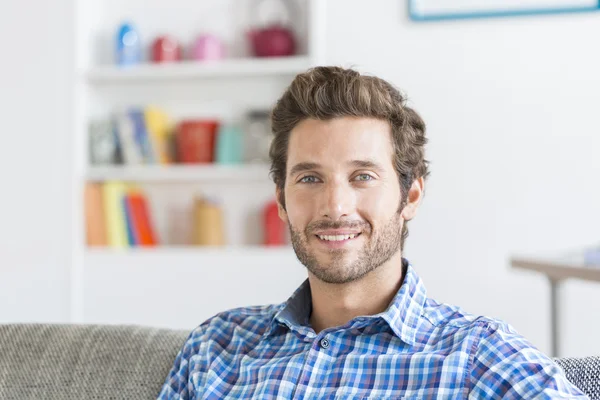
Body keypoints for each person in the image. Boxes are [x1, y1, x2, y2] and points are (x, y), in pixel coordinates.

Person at [157, 66, 586, 399]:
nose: (335, 206)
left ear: (411, 196)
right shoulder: (216, 347)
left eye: (362, 176)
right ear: (282, 201)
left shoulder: (479, 357)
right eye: (309, 179)